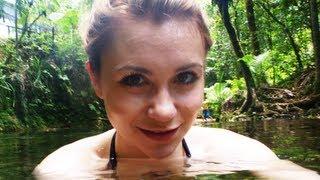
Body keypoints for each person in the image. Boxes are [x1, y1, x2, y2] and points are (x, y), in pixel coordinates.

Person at [33, 0, 319, 179]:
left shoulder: (238, 152)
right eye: (134, 80)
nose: (164, 111)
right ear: (96, 79)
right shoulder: (66, 171)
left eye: (185, 77)